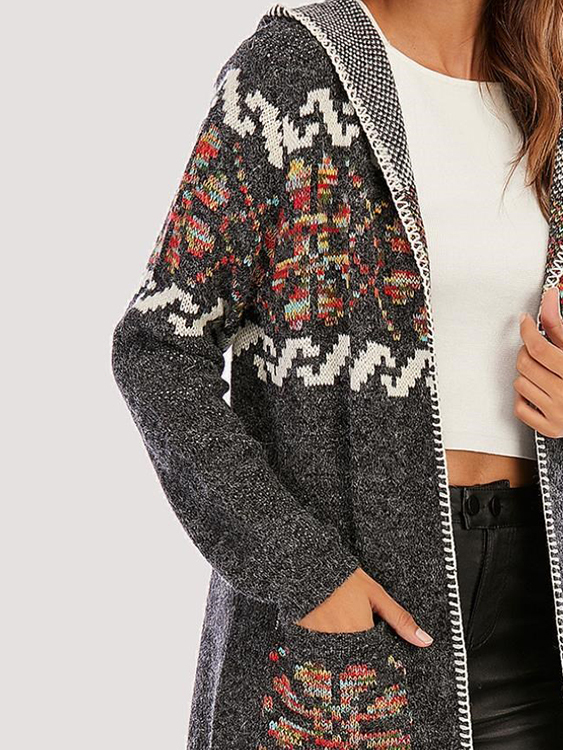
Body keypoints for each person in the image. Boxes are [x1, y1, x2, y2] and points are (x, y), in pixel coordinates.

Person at [111, 0, 563, 747]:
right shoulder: (290, 72)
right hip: (361, 614)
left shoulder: (548, 89)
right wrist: (305, 569)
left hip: (537, 623)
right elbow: (158, 346)